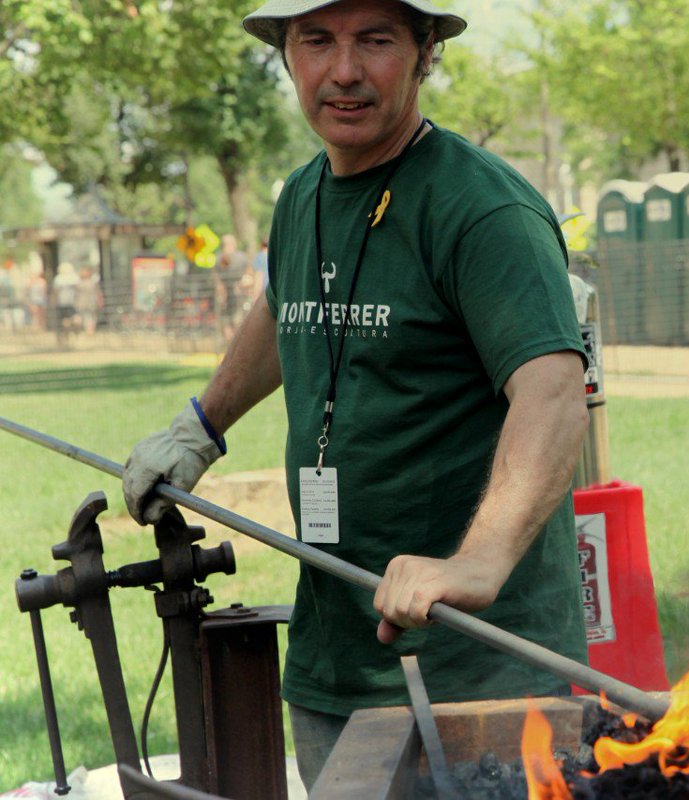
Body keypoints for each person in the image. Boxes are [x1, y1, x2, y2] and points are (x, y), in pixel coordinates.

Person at [121, 0, 589, 790]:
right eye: (317, 41)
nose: (344, 71)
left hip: (480, 680)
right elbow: (286, 306)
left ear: (426, 51)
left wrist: (477, 562)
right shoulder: (303, 196)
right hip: (336, 664)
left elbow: (552, 394)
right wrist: (200, 426)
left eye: (375, 40)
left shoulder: (483, 208)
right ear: (286, 54)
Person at [214, 234, 248, 342]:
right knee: (229, 322)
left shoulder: (240, 258)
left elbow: (248, 274)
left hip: (237, 296)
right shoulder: (220, 259)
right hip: (229, 296)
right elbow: (218, 281)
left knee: (235, 321)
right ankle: (232, 343)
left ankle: (233, 343)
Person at [76, 265, 103, 335]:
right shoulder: (79, 282)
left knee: (93, 316)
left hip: (92, 302)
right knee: (84, 316)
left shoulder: (93, 281)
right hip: (82, 302)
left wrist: (100, 300)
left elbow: (98, 292)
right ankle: (88, 330)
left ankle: (91, 330)